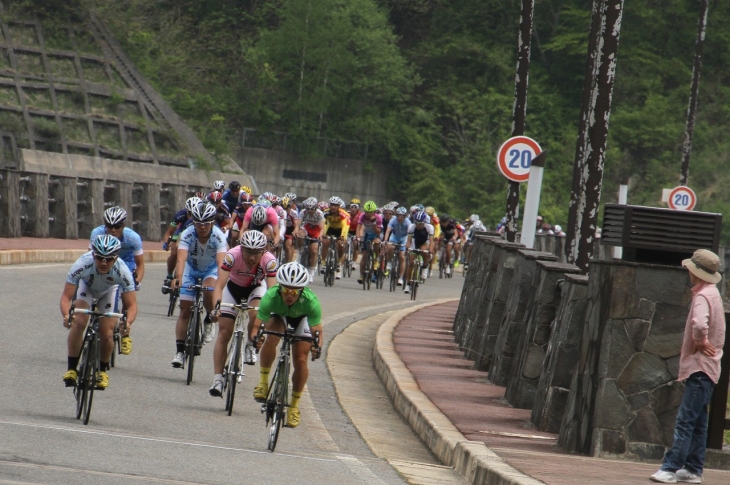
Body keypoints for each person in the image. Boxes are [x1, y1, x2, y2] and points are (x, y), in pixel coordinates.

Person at [650, 250, 726, 484]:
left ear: (696, 272)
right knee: (698, 421)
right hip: (710, 369)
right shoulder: (713, 293)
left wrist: (701, 342)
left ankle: (670, 467)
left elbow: (699, 324)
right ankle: (693, 468)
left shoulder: (703, 296)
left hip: (700, 367)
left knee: (685, 420)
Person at [251, 262, 323, 428]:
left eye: (294, 291)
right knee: (271, 338)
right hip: (279, 316)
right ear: (280, 288)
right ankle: (263, 382)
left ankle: (294, 407)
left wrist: (316, 347)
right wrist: (256, 338)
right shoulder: (270, 296)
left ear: (302, 290)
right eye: (285, 290)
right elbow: (257, 327)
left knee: (300, 359)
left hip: (302, 319)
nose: (289, 295)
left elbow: (317, 333)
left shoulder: (311, 302)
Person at [61, 235, 138, 389]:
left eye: (109, 259)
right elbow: (66, 297)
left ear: (115, 258)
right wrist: (67, 315)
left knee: (107, 332)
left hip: (109, 291)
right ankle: (71, 369)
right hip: (86, 287)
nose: (104, 262)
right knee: (80, 321)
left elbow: (131, 305)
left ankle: (102, 371)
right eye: (100, 258)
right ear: (94, 255)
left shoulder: (122, 271)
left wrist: (127, 323)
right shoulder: (82, 263)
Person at [208, 230, 277, 397]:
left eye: (256, 253)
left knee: (255, 315)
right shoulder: (232, 256)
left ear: (263, 251)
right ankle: (217, 379)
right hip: (233, 289)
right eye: (248, 252)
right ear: (241, 248)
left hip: (255, 289)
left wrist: (269, 315)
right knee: (224, 332)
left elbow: (272, 292)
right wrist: (216, 308)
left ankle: (249, 344)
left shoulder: (269, 261)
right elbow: (219, 286)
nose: (252, 258)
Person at [170, 202, 228, 367]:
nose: (202, 227)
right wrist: (178, 278)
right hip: (191, 268)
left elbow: (220, 262)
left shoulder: (219, 236)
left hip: (211, 269)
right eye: (198, 223)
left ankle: (209, 320)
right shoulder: (187, 234)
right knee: (184, 310)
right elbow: (181, 259)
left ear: (212, 222)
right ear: (193, 222)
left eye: (206, 223)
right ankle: (180, 352)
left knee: (210, 290)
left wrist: (220, 285)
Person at [89, 206, 144, 355]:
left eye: (117, 226)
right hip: (104, 260)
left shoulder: (133, 238)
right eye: (109, 226)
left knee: (127, 297)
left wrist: (136, 281)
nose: (113, 230)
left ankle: (125, 333)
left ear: (123, 226)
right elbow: (90, 260)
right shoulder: (97, 234)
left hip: (126, 262)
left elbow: (140, 265)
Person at [294, 197, 325, 281]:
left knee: (314, 251)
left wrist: (320, 236)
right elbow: (298, 225)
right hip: (307, 228)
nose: (310, 211)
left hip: (316, 230)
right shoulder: (303, 212)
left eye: (312, 209)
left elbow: (322, 228)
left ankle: (311, 272)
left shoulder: (319, 214)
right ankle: (300, 251)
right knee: (300, 234)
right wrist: (295, 232)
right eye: (308, 208)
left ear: (315, 208)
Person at [404, 210, 434, 294]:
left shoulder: (429, 227)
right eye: (416, 223)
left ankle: (424, 267)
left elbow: (432, 242)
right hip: (415, 242)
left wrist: (430, 252)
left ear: (424, 222)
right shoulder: (411, 227)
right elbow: (409, 241)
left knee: (424, 251)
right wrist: (407, 248)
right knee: (411, 263)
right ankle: (408, 283)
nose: (418, 225)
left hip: (425, 241)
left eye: (420, 223)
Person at [322, 196, 350, 279]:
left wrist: (342, 236)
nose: (333, 207)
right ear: (329, 205)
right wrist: (323, 234)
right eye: (332, 205)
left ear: (338, 206)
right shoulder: (326, 212)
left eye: (335, 205)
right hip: (330, 228)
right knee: (325, 242)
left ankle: (338, 263)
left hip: (341, 229)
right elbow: (324, 224)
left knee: (340, 244)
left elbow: (345, 226)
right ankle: (323, 262)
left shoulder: (343, 214)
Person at [356, 200, 382, 285]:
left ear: (374, 212)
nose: (368, 214)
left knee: (377, 243)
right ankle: (361, 275)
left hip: (375, 234)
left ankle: (376, 259)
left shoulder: (378, 217)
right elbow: (359, 227)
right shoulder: (363, 216)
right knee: (364, 255)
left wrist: (374, 223)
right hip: (367, 234)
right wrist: (358, 237)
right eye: (367, 212)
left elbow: (378, 232)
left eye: (370, 212)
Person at [383, 206, 411, 287]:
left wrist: (408, 244)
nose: (399, 217)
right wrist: (385, 240)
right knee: (390, 247)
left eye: (401, 216)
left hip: (404, 238)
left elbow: (410, 235)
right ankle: (389, 262)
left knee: (402, 256)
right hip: (394, 236)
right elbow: (388, 231)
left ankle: (401, 278)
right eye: (398, 215)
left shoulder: (408, 223)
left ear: (404, 216)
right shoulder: (393, 220)